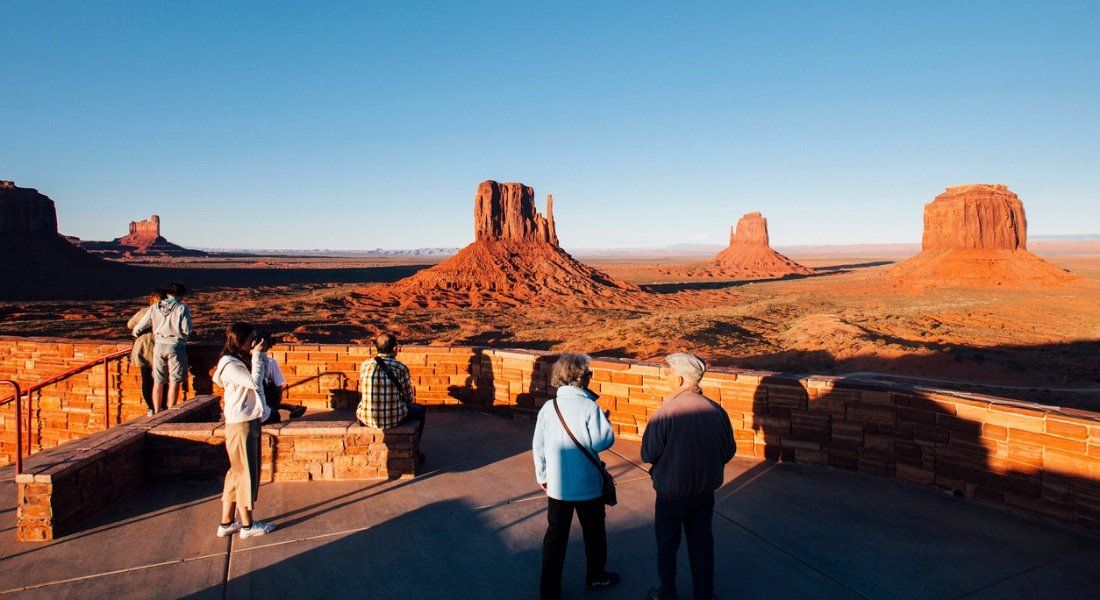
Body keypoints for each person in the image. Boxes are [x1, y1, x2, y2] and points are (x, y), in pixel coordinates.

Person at [641, 353, 735, 600]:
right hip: (704, 492)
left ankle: (667, 592)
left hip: (671, 493)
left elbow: (648, 453)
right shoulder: (717, 411)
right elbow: (729, 451)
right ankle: (704, 594)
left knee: (667, 545)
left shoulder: (666, 411)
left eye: (668, 372)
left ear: (681, 378)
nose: (666, 375)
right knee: (702, 544)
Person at [533, 353, 619, 599]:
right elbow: (603, 442)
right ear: (580, 377)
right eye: (589, 373)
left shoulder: (549, 408)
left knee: (555, 537)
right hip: (588, 486)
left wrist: (543, 476)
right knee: (594, 533)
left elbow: (538, 445)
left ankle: (549, 589)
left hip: (558, 487)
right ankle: (596, 575)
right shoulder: (590, 407)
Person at [212, 322, 276, 538]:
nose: (254, 343)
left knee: (236, 474)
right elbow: (255, 383)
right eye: (251, 339)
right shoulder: (230, 364)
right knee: (247, 474)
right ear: (240, 340)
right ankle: (248, 526)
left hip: (246, 421)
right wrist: (258, 355)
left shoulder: (236, 361)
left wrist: (260, 355)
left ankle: (226, 523)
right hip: (242, 425)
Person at [356, 333, 426, 455]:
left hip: (366, 417)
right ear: (394, 348)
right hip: (394, 418)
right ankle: (415, 450)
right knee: (420, 411)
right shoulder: (400, 367)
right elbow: (409, 397)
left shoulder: (365, 365)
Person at [131, 282, 192, 411]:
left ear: (168, 293)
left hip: (158, 345)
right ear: (181, 295)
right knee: (174, 380)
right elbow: (187, 329)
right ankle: (170, 410)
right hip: (175, 345)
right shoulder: (182, 308)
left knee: (158, 380)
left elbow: (138, 327)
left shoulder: (155, 307)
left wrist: (137, 335)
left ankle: (156, 410)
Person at [127, 288, 167, 415]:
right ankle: (162, 406)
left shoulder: (143, 312)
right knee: (161, 379)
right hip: (158, 348)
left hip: (143, 349)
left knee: (147, 380)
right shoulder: (167, 313)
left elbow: (130, 324)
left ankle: (151, 407)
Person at [255, 330, 306, 424]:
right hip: (263, 412)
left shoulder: (241, 364)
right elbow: (278, 386)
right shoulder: (270, 362)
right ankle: (287, 407)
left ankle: (287, 407)